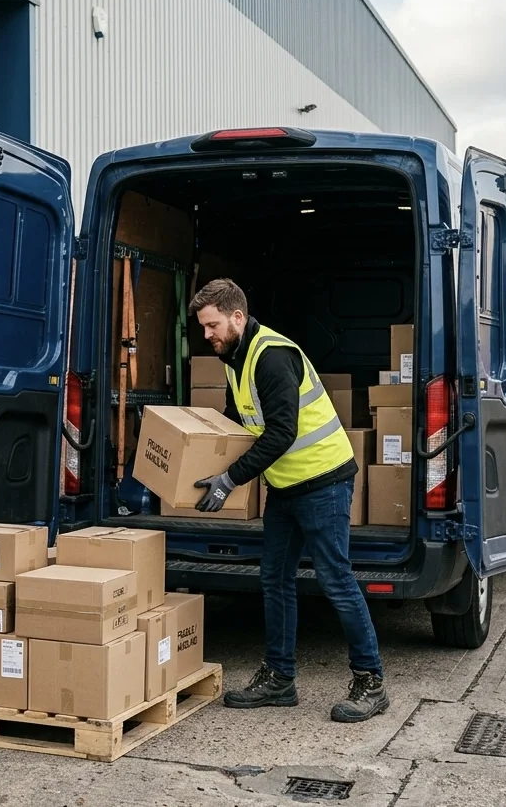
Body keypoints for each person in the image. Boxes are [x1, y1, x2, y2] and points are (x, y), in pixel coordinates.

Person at [190, 278, 388, 722]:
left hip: (324, 482)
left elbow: (282, 431)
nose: (208, 335)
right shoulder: (233, 358)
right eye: (204, 327)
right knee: (275, 580)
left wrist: (230, 479)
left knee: (336, 580)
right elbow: (237, 420)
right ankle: (280, 679)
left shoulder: (272, 356)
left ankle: (370, 682)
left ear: (237, 316)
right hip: (285, 487)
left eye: (213, 325)